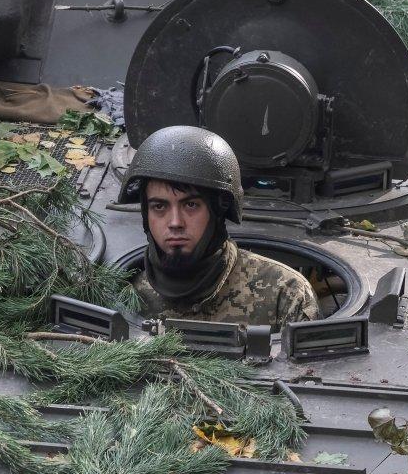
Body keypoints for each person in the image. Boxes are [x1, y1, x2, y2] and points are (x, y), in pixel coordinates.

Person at [119, 125, 319, 327]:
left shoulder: (283, 293)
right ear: (146, 214)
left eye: (191, 205)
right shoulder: (124, 290)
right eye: (159, 206)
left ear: (217, 211)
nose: (175, 223)